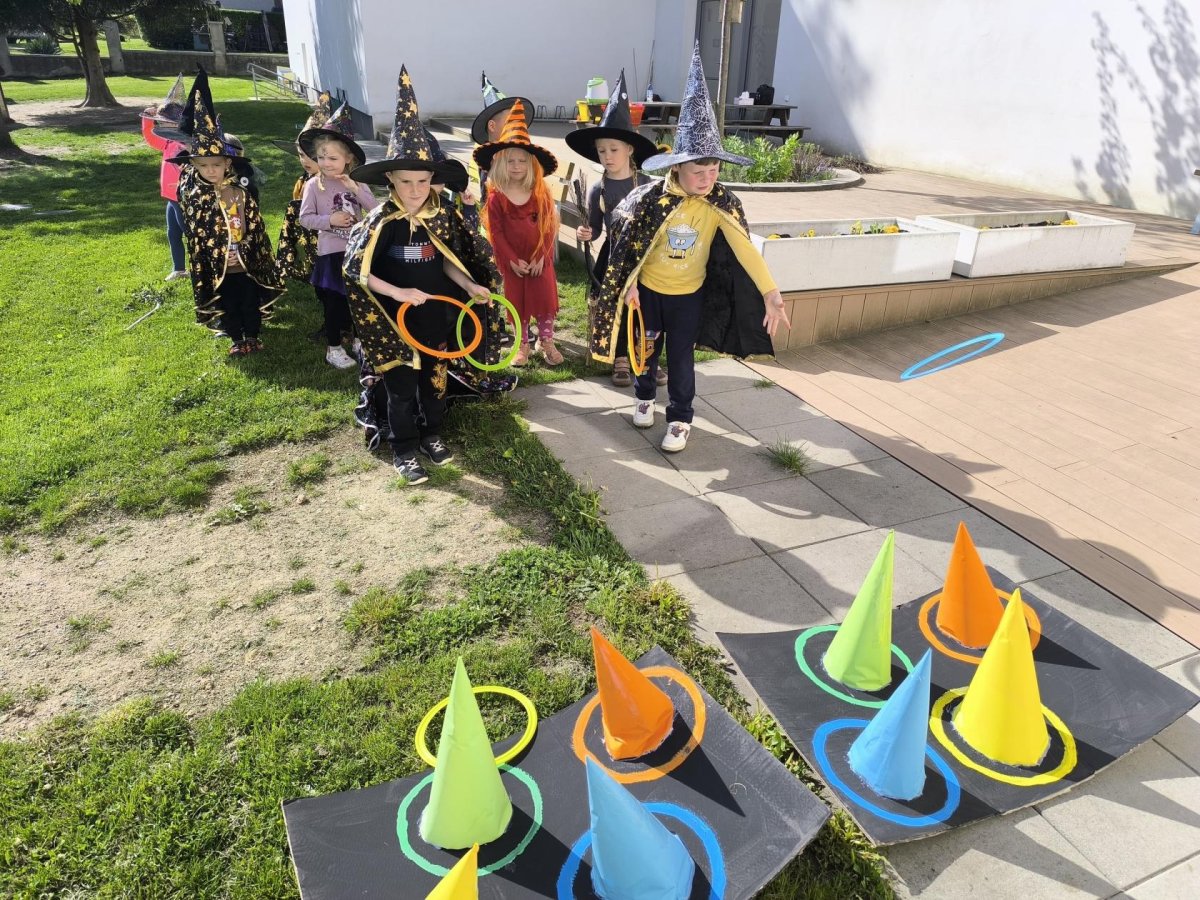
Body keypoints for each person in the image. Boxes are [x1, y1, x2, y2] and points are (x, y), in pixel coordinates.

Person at [590, 44, 790, 453]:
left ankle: (680, 418)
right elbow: (630, 248)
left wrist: (771, 292)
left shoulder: (720, 202)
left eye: (714, 170)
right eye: (699, 171)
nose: (707, 178)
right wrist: (630, 284)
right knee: (645, 351)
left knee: (681, 360)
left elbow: (745, 249)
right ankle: (644, 396)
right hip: (648, 294)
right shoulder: (650, 201)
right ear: (677, 166)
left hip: (688, 298)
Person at [343, 67, 505, 483]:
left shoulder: (442, 215)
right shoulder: (381, 222)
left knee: (435, 383)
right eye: (406, 181)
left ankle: (432, 434)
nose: (415, 190)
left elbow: (448, 259)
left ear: (433, 179)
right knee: (400, 389)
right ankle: (404, 448)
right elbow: (356, 270)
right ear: (390, 179)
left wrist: (469, 284)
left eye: (423, 180)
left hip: (435, 317)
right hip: (394, 324)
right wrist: (398, 292)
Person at [565, 69, 662, 388]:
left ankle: (646, 355)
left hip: (645, 257)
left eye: (614, 149)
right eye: (602, 150)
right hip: (612, 256)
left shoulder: (647, 185)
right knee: (617, 303)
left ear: (630, 149)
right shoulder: (599, 189)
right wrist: (586, 234)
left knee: (647, 305)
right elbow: (594, 228)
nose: (607, 156)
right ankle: (620, 357)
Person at [174, 80, 284, 356]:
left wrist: (244, 250)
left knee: (249, 300)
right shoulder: (196, 198)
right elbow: (195, 234)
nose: (211, 171)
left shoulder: (240, 192)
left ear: (227, 163)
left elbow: (255, 227)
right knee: (228, 303)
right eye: (204, 165)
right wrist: (220, 254)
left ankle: (253, 336)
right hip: (216, 264)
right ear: (194, 165)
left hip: (245, 261)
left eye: (216, 165)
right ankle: (236, 338)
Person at [474, 99, 562, 367]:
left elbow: (550, 227)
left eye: (522, 161)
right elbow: (496, 234)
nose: (516, 166)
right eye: (510, 160)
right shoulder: (496, 198)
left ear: (531, 163)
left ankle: (546, 340)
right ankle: (521, 344)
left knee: (544, 300)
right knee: (517, 302)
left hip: (538, 260)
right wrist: (511, 259)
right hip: (514, 261)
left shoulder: (540, 193)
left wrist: (542, 257)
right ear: (501, 163)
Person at [297, 104, 378, 369]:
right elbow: (305, 218)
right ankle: (333, 348)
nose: (325, 163)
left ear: (348, 159)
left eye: (332, 158)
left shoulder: (357, 181)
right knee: (334, 303)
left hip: (356, 251)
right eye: (321, 157)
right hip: (330, 254)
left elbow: (375, 210)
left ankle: (358, 341)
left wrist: (354, 188)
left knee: (357, 299)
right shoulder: (313, 185)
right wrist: (329, 220)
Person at [273, 90, 332, 284]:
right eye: (300, 155)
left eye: (310, 156)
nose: (304, 161)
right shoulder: (303, 181)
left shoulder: (334, 183)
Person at [139, 74, 188, 281]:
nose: (160, 125)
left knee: (189, 232)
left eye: (164, 122)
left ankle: (203, 265)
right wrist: (146, 119)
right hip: (170, 197)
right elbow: (151, 138)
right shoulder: (167, 142)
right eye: (159, 122)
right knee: (173, 232)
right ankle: (179, 268)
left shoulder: (185, 144)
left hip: (182, 197)